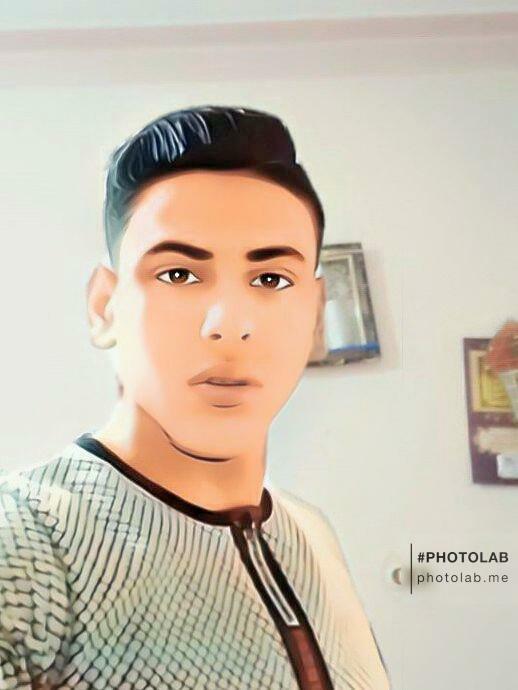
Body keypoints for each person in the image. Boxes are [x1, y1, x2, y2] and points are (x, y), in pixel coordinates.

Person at [0, 106, 390, 689]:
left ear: (314, 314)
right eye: (178, 274)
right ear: (105, 307)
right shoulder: (24, 539)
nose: (228, 325)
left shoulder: (313, 534)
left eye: (271, 280)